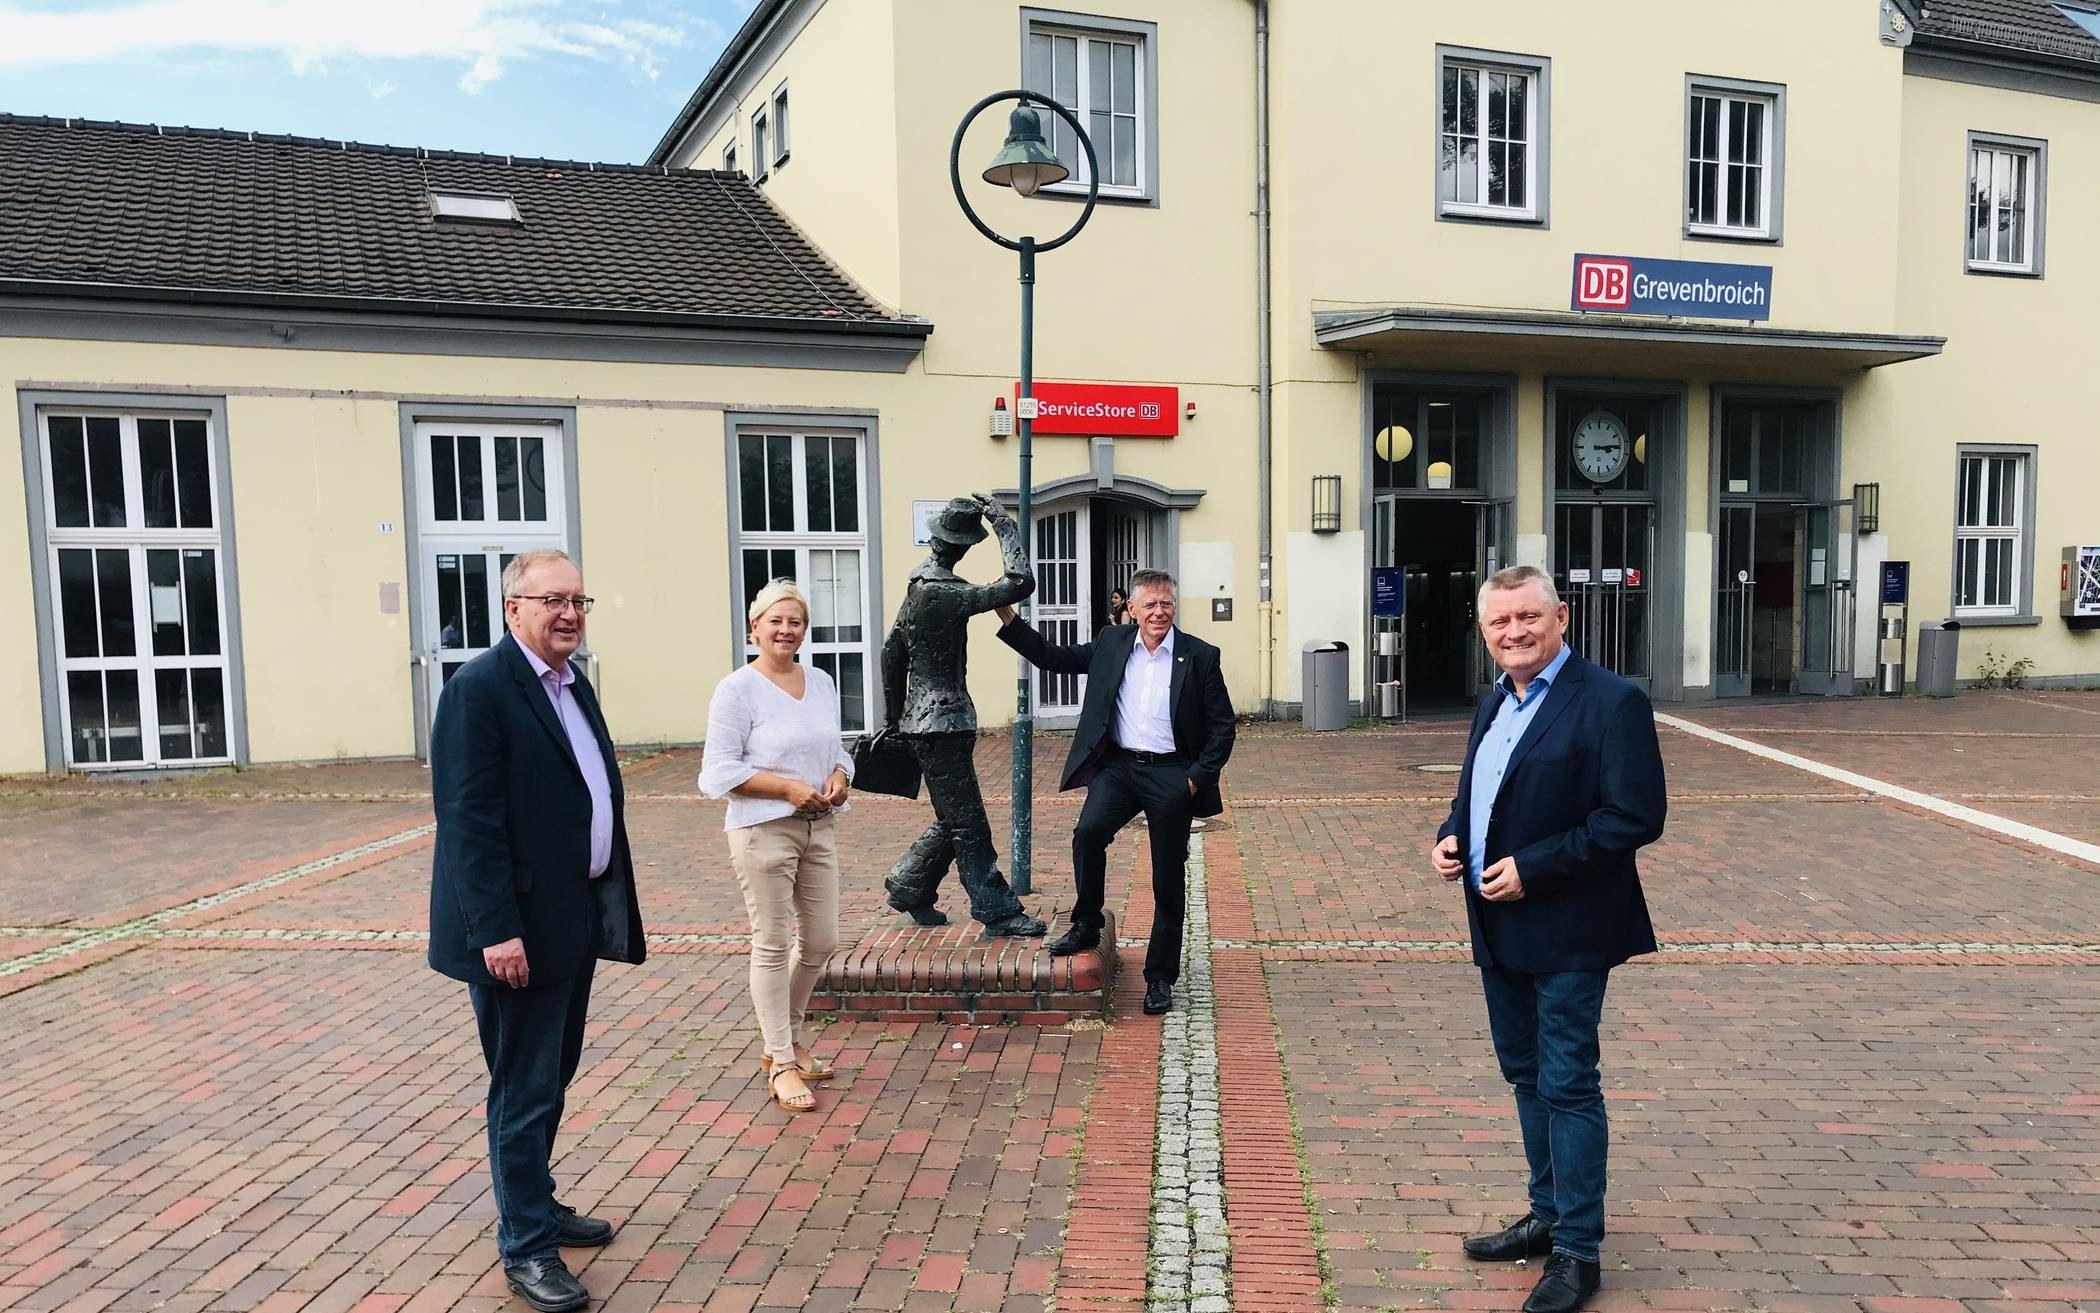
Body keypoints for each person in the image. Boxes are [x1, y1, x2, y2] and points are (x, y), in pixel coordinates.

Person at [1428, 564, 1666, 1313]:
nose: (1515, 632)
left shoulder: (1611, 701)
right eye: (1500, 622)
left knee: (1567, 1081)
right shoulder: (1495, 700)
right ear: (1484, 630)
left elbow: (1635, 815)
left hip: (1569, 925)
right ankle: (1547, 1213)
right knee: (1525, 1074)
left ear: (1560, 616)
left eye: (1528, 617)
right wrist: (1448, 836)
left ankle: (1577, 1251)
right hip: (1497, 922)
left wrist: (1537, 867)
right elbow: (1478, 792)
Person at [427, 549, 646, 1313]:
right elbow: (468, 822)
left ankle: (537, 1202)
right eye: (552, 599)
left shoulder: (571, 682)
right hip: (513, 932)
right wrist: (496, 930)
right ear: (512, 607)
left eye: (579, 599)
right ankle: (526, 1245)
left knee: (552, 1078)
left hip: (570, 918)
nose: (569, 614)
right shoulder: (479, 690)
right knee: (522, 1088)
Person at [994, 568, 1235, 1015]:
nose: (1159, 612)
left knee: (1167, 878)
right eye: (1150, 605)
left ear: (1174, 606)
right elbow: (1052, 657)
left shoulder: (1199, 655)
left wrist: (1194, 778)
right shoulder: (1112, 643)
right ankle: (1086, 922)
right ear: (1132, 609)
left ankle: (1160, 977)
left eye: (1166, 603)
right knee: (1088, 833)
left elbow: (1223, 728)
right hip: (1120, 768)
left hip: (1171, 775)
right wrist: (1008, 615)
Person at [699, 579, 853, 1114]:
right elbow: (716, 772)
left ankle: (783, 1041)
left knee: (820, 942)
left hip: (819, 826)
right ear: (755, 627)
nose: (787, 630)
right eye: (776, 621)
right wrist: (785, 787)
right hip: (763, 827)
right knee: (771, 942)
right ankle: (782, 1061)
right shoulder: (737, 689)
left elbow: (838, 749)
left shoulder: (822, 682)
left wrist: (839, 775)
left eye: (796, 622)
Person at [878, 493, 1047, 937]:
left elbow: (890, 652)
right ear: (967, 545)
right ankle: (998, 911)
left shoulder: (917, 586)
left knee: (953, 816)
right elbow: (1020, 581)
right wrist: (1004, 526)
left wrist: (894, 717)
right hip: (944, 723)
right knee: (969, 823)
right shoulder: (946, 592)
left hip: (924, 722)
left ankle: (910, 886)